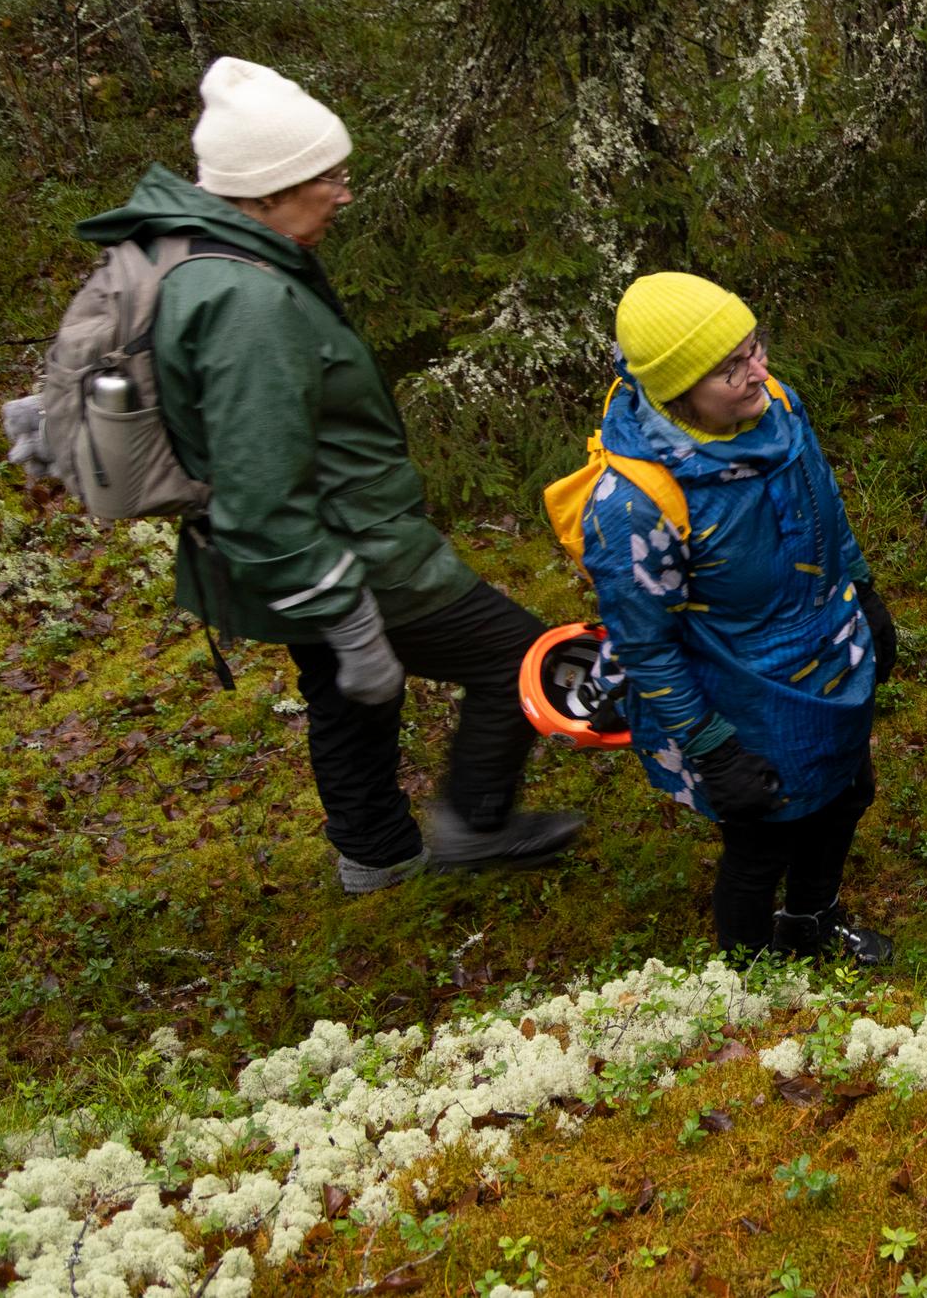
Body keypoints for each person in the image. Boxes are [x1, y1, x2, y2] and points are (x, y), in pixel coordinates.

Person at [66, 58, 585, 895]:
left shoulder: (196, 249)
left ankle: (375, 854)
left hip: (287, 551)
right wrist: (343, 610)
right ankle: (476, 823)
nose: (344, 194)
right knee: (517, 657)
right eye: (329, 178)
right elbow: (261, 490)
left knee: (348, 694)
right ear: (270, 189)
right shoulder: (247, 302)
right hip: (343, 548)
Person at [579, 272, 895, 964]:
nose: (759, 370)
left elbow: (821, 495)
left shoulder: (777, 406)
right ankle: (750, 986)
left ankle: (811, 924)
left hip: (826, 652)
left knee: (846, 795)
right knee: (762, 843)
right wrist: (715, 750)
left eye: (756, 347)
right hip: (740, 695)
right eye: (732, 366)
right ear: (678, 391)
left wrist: (863, 590)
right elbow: (646, 647)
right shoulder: (633, 506)